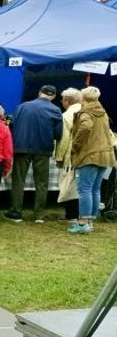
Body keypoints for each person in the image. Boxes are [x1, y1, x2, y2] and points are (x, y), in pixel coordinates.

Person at [6, 85, 63, 223]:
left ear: (39, 93)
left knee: (18, 180)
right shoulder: (56, 110)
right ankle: (39, 215)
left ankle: (16, 212)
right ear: (53, 96)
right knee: (42, 183)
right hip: (43, 149)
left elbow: (12, 126)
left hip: (21, 147)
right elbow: (58, 134)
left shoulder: (22, 107)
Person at [70, 86, 117, 234]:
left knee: (84, 189)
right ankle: (90, 222)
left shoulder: (86, 113)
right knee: (95, 189)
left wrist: (76, 145)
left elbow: (86, 127)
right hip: (105, 155)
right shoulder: (102, 112)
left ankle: (83, 223)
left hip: (90, 155)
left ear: (83, 98)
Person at [55, 88, 83, 225]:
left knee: (68, 184)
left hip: (72, 154)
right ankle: (84, 215)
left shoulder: (67, 115)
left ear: (67, 100)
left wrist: (59, 157)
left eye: (62, 99)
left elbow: (64, 139)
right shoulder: (89, 111)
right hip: (88, 154)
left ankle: (71, 214)